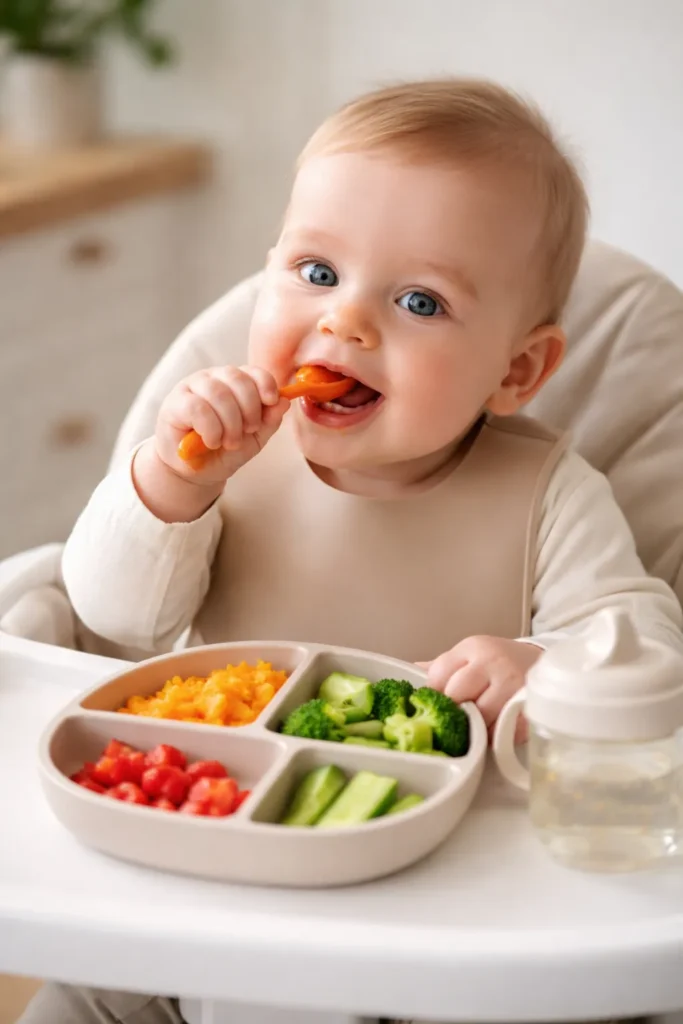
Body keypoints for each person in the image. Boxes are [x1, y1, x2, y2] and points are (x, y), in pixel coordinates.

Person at [21, 78, 682, 1024]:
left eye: (419, 300)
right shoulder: (218, 460)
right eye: (317, 274)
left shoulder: (550, 495)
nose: (345, 323)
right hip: (202, 877)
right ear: (268, 275)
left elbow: (641, 645)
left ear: (516, 370)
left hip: (433, 923)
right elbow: (107, 614)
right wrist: (170, 483)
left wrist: (540, 664)